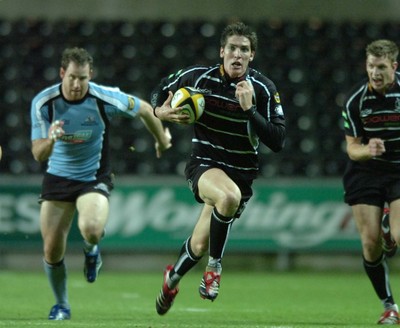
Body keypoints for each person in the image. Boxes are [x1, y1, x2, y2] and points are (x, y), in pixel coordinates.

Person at [151, 21, 286, 315]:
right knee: (227, 198)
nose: (237, 55)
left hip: (241, 174)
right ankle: (214, 268)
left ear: (252, 56)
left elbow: (277, 141)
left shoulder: (262, 89)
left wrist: (250, 109)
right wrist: (160, 110)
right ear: (222, 51)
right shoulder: (198, 77)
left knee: (198, 244)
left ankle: (171, 279)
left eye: (245, 50)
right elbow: (161, 87)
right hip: (205, 163)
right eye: (233, 48)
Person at [30, 47, 171, 320]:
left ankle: (92, 248)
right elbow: (38, 153)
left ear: (90, 75)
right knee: (51, 249)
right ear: (62, 73)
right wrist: (52, 139)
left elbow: (144, 108)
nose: (76, 84)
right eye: (72, 77)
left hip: (92, 177)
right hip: (57, 178)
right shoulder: (43, 103)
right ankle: (62, 305)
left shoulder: (104, 98)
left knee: (92, 228)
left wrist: (161, 138)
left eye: (82, 78)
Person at [342, 39, 400, 325]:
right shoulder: (356, 100)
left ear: (394, 66)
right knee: (370, 243)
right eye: (370, 66)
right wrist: (368, 149)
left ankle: (392, 227)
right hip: (365, 171)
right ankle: (389, 305)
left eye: (381, 67)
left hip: (399, 169)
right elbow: (352, 147)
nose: (375, 73)